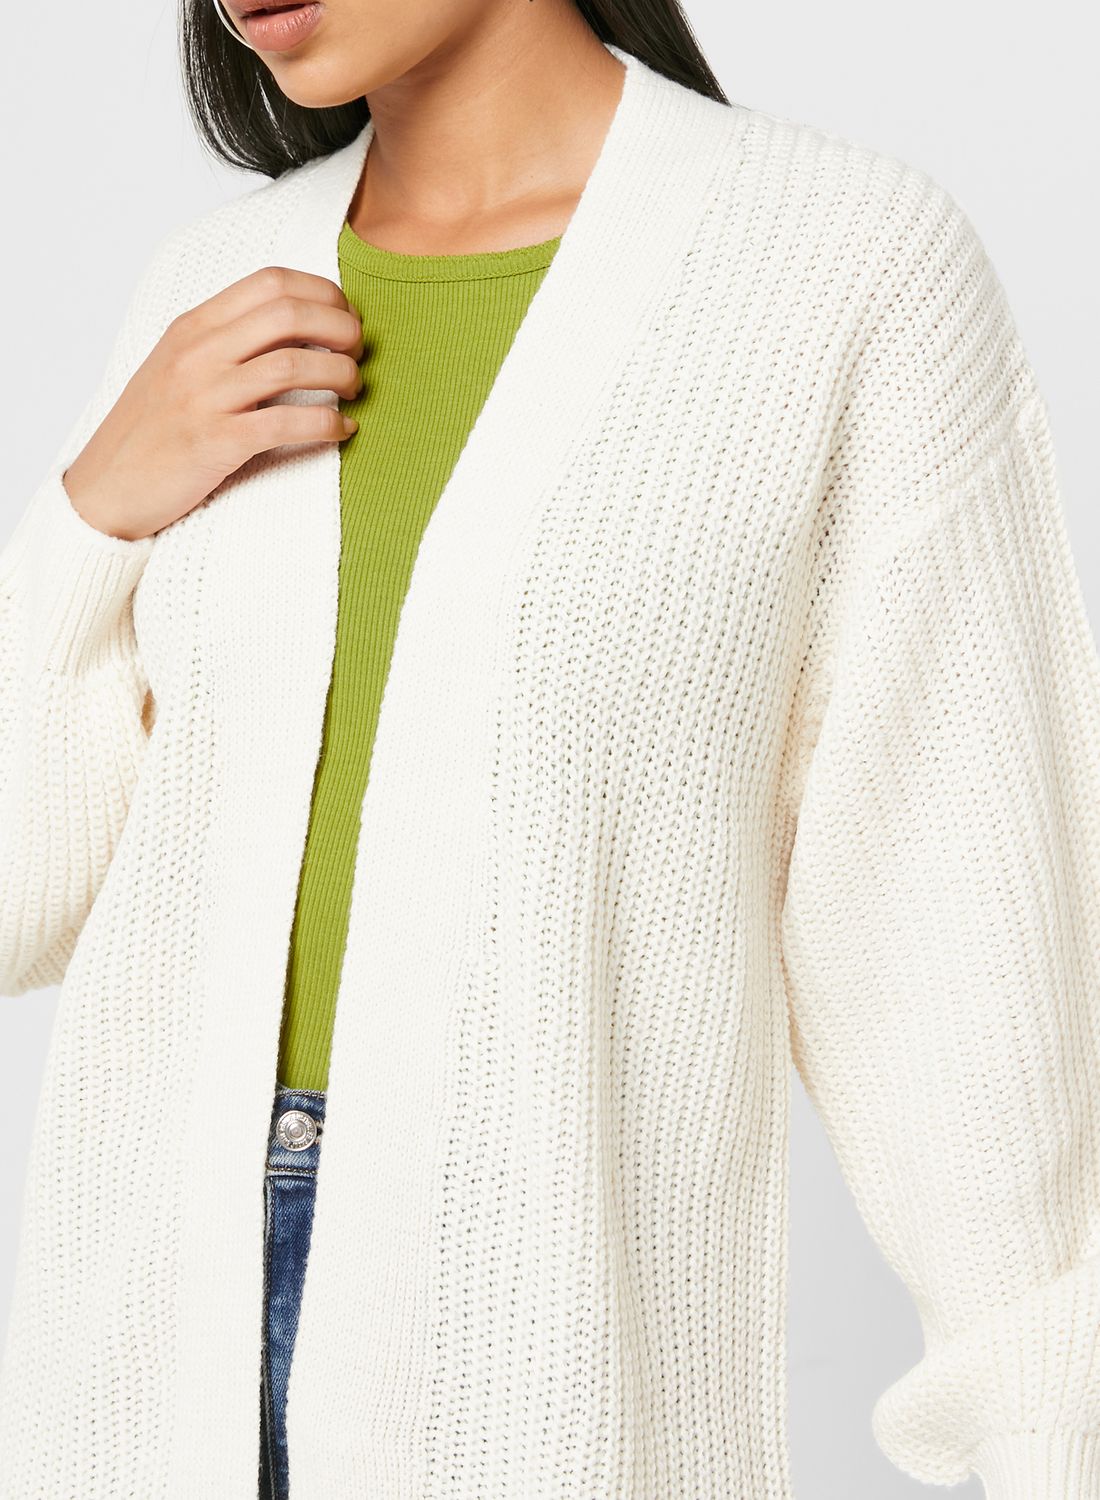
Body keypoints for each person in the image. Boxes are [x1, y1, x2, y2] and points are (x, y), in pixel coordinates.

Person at [1, 0, 1097, 1495]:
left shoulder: (840, 265)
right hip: (138, 1354)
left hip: (538, 1357)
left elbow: (957, 934)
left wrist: (1048, 1435)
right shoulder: (211, 291)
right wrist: (89, 516)